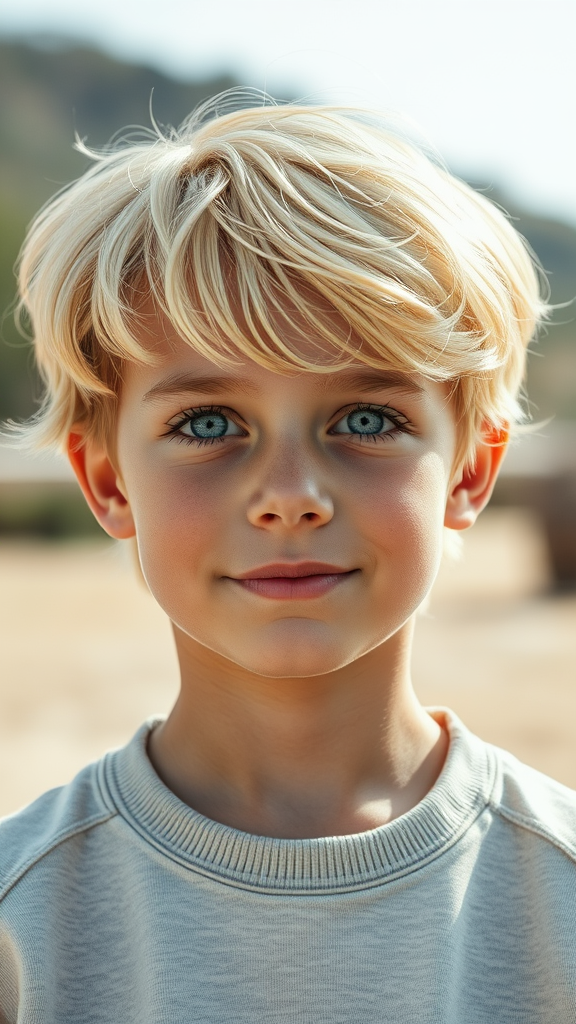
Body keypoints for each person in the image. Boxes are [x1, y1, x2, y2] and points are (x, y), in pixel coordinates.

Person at [1, 94, 575, 1024]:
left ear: (470, 470)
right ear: (107, 483)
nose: (291, 493)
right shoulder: (20, 921)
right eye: (209, 424)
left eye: (366, 419)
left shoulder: (561, 896)